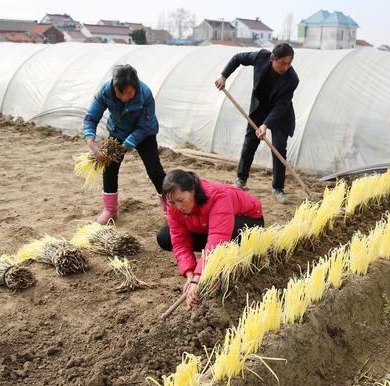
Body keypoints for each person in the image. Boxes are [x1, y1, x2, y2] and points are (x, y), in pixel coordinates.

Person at [156, 169, 264, 309]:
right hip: (206, 225)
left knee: (225, 240)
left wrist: (198, 278)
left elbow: (218, 239)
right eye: (172, 202)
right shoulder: (173, 204)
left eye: (180, 200)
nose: (178, 206)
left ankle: (225, 260)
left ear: (193, 190)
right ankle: (209, 261)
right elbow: (180, 241)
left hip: (247, 221)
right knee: (165, 237)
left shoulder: (218, 196)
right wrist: (190, 275)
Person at [215, 42, 299, 204]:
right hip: (259, 109)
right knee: (250, 143)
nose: (286, 67)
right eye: (283, 63)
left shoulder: (292, 79)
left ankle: (278, 188)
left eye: (289, 63)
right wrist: (224, 76)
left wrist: (266, 125)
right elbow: (237, 58)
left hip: (280, 114)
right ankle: (241, 178)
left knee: (279, 148)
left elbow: (282, 105)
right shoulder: (261, 57)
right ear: (273, 58)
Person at [83, 64, 166, 224]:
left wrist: (128, 144)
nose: (123, 97)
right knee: (109, 168)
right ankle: (110, 210)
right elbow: (91, 118)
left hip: (144, 133)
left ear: (135, 87)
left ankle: (170, 209)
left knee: (155, 170)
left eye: (128, 93)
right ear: (114, 87)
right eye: (119, 93)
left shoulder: (145, 94)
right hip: (118, 131)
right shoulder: (105, 91)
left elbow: (144, 126)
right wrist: (90, 140)